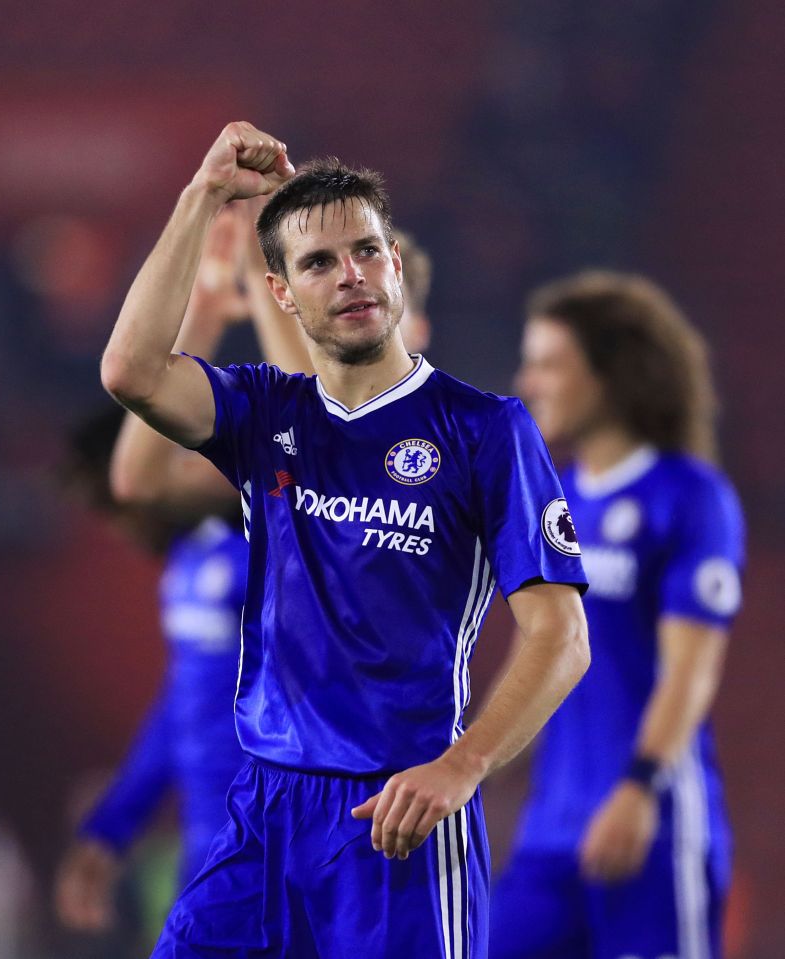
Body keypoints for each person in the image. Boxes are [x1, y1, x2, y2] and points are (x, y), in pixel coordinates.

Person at [100, 121, 590, 958]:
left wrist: (462, 765)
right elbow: (131, 372)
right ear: (281, 295)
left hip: (393, 821)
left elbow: (562, 634)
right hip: (263, 812)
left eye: (367, 250)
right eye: (319, 262)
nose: (350, 273)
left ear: (396, 267)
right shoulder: (267, 413)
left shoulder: (484, 431)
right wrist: (203, 196)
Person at [489, 271, 745, 959]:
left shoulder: (690, 497)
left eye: (548, 362)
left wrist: (638, 788)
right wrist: (469, 765)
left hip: (649, 826)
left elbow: (690, 671)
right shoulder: (553, 500)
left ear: (610, 374)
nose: (528, 379)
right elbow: (531, 657)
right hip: (551, 832)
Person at [55, 207, 252, 932]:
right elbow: (182, 708)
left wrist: (200, 314)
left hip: (284, 841)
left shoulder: (276, 542)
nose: (123, 519)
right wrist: (110, 829)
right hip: (212, 851)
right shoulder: (192, 561)